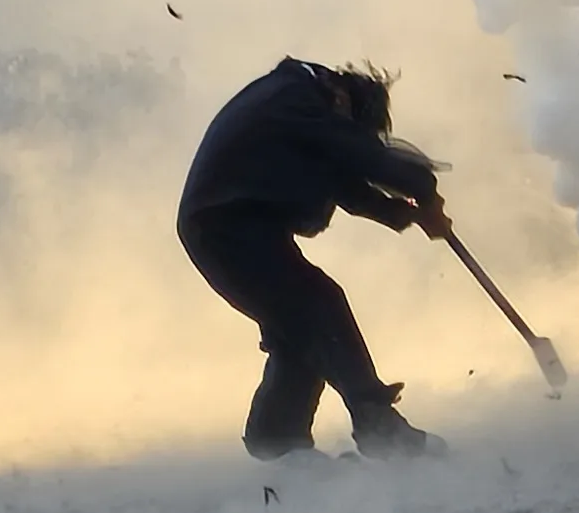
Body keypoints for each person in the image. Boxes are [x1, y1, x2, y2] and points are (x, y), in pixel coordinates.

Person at [177, 57, 454, 460]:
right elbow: (358, 157)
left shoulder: (298, 104)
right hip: (225, 226)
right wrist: (423, 190)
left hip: (229, 226)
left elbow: (345, 182)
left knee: (301, 324)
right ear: (344, 101)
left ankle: (279, 441)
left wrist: (404, 212)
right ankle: (377, 425)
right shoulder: (300, 99)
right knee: (319, 304)